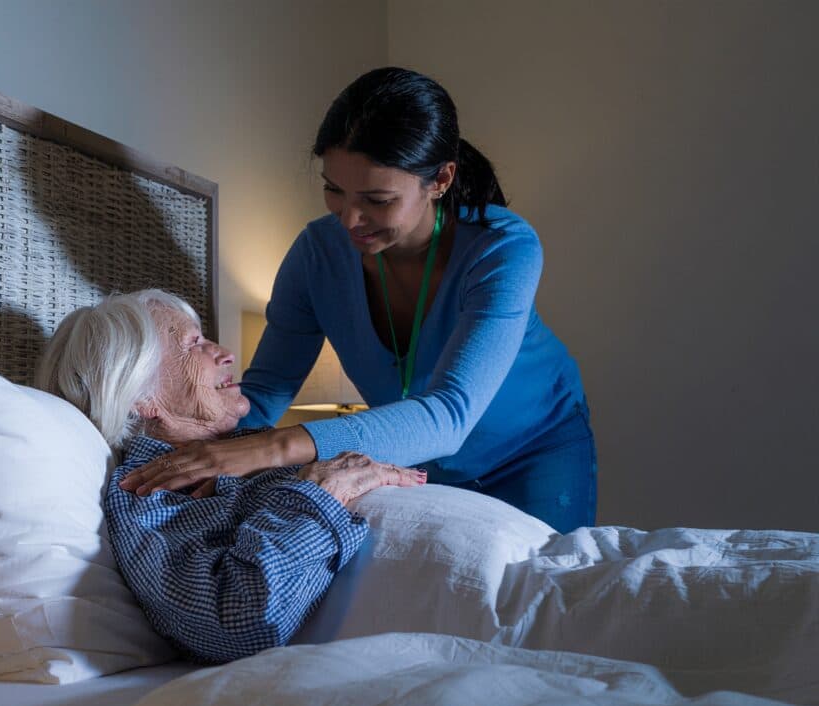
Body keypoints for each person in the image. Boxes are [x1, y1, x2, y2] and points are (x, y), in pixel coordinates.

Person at [119, 67, 596, 534]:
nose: (350, 220)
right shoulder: (315, 256)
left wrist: (270, 449)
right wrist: (167, 447)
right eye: (333, 190)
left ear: (441, 179)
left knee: (542, 592)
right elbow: (261, 399)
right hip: (415, 458)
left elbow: (451, 414)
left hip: (534, 446)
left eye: (377, 199)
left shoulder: (503, 247)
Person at [35, 289, 425, 663]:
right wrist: (324, 493)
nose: (226, 353)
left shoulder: (244, 448)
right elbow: (238, 622)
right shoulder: (154, 492)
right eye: (193, 344)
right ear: (141, 396)